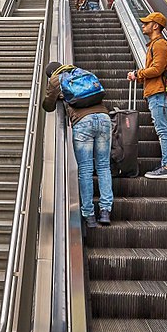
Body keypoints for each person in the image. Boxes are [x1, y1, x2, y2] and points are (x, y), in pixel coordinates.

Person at [42, 62, 113, 228]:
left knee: (86, 169)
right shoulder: (82, 72)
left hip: (83, 123)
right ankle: (105, 211)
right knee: (103, 167)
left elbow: (48, 106)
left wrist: (56, 94)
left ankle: (89, 215)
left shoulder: (55, 80)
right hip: (104, 118)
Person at [127, 11, 167, 178]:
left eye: (146, 23)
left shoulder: (160, 44)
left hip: (161, 93)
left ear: (155, 26)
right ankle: (166, 164)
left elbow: (157, 69)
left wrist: (137, 74)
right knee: (162, 130)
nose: (143, 25)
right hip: (158, 92)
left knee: (163, 131)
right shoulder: (154, 44)